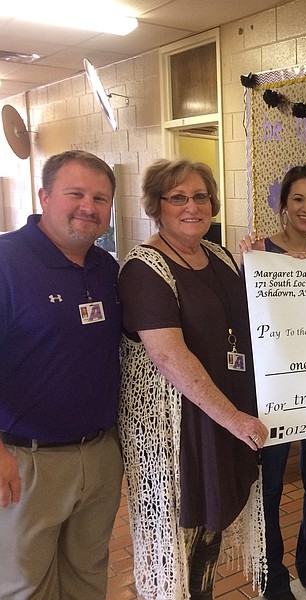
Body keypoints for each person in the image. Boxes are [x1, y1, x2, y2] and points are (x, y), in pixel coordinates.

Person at [117, 158, 269, 599]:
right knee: (176, 543)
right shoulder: (144, 269)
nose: (192, 206)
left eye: (200, 196)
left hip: (218, 419)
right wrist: (236, 419)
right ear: (156, 205)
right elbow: (169, 357)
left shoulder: (219, 255)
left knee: (209, 536)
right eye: (177, 197)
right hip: (174, 433)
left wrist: (273, 271)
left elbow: (250, 321)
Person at [0, 150, 124, 598]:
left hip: (100, 454)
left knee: (88, 574)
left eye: (100, 198)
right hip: (26, 462)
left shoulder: (105, 267)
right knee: (25, 585)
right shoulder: (6, 262)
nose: (88, 207)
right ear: (44, 196)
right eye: (76, 194)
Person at [240, 166, 306, 600]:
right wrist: (250, 264)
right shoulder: (257, 253)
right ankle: (271, 572)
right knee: (272, 484)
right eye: (298, 199)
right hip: (274, 391)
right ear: (282, 204)